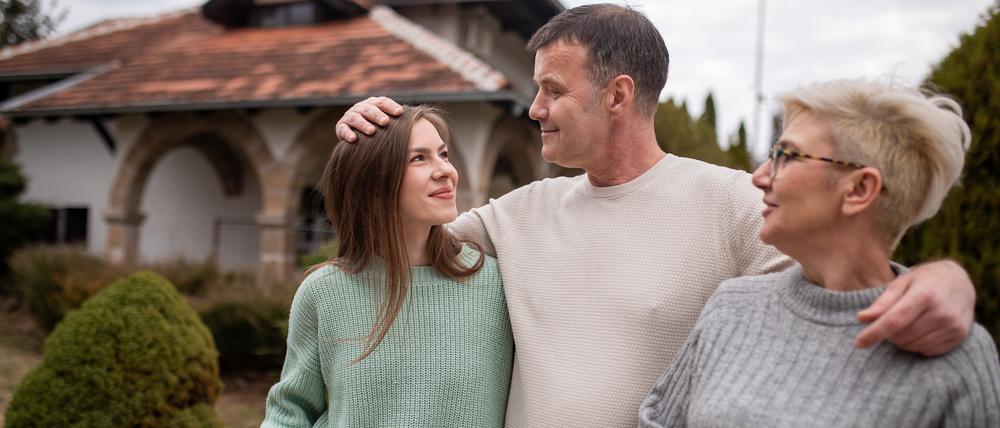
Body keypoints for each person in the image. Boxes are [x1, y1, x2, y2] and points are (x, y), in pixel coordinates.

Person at [335, 4, 977, 426]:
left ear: (618, 95)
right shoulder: (519, 214)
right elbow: (396, 244)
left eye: (553, 90)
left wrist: (946, 278)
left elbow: (843, 282)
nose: (534, 109)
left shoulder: (733, 202)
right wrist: (373, 145)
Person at [638, 78, 1000, 427]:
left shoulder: (957, 356)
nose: (759, 176)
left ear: (859, 189)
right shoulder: (731, 306)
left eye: (786, 156)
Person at [262, 106, 513, 427]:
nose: (445, 170)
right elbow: (289, 412)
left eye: (443, 154)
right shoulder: (323, 292)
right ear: (373, 181)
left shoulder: (497, 283)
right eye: (419, 158)